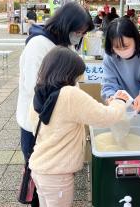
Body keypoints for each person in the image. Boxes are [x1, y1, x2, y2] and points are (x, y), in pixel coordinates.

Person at [29, 48, 129, 207]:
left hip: (40, 169)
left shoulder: (40, 92)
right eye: (76, 75)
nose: (77, 79)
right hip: (57, 175)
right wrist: (120, 101)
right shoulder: (69, 94)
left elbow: (37, 129)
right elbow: (105, 117)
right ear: (67, 73)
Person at [16, 1, 94, 207]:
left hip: (54, 124)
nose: (80, 36)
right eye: (79, 31)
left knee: (48, 183)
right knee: (39, 180)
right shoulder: (39, 45)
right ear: (66, 25)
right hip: (37, 126)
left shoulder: (61, 43)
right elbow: (38, 89)